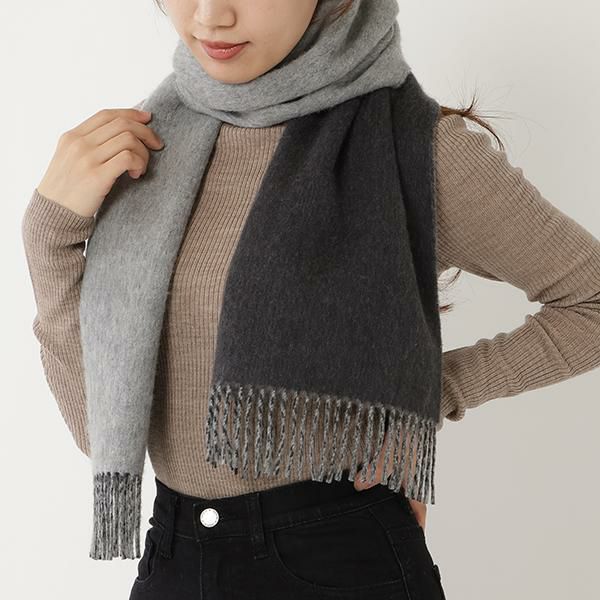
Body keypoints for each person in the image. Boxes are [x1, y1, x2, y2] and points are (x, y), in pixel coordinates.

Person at [20, 1, 600, 598]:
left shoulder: (413, 147)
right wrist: (47, 234)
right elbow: (98, 427)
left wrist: (422, 397)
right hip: (173, 554)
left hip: (337, 558)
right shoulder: (145, 141)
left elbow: (592, 300)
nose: (210, 15)